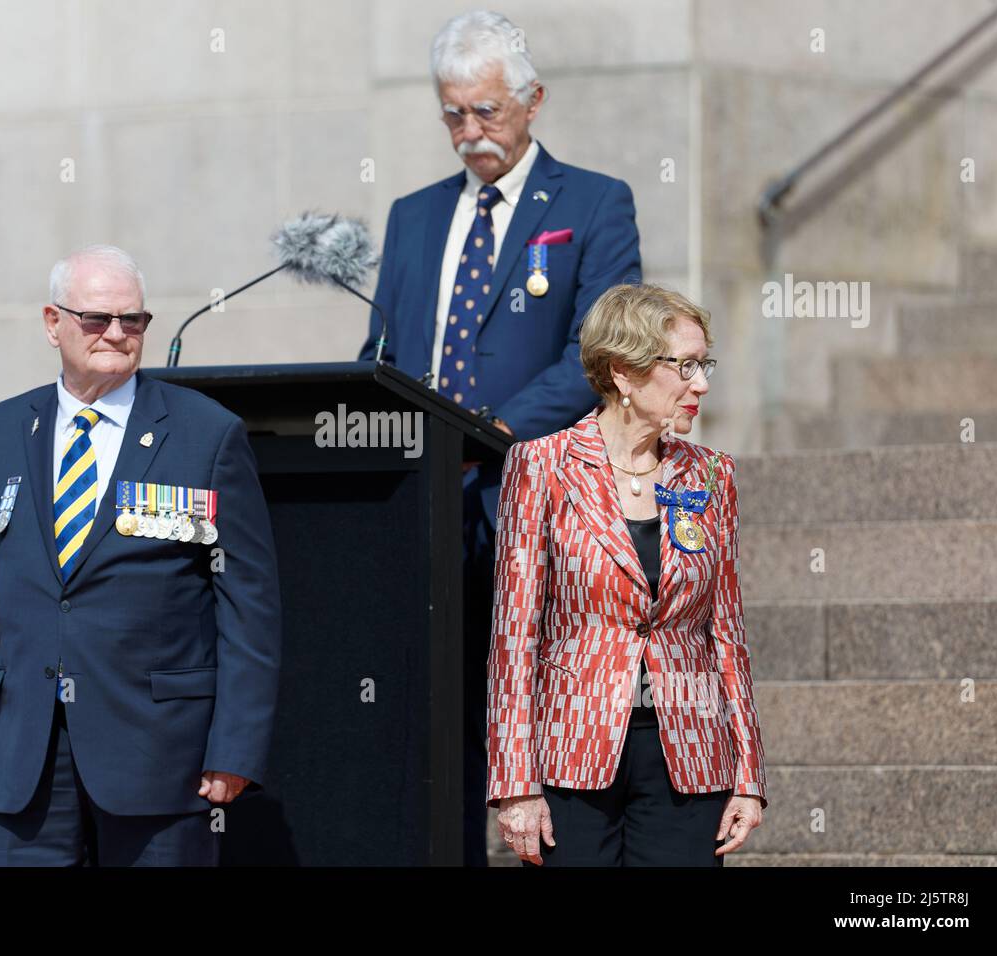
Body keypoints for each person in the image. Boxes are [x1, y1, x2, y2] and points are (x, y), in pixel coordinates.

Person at [359, 10, 641, 864]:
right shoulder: (413, 218)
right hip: (423, 508)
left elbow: (602, 349)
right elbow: (378, 355)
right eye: (453, 114)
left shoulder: (594, 202)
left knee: (536, 709)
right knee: (432, 719)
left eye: (486, 112)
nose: (469, 133)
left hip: (533, 494)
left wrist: (488, 430)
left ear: (532, 103)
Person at [0, 244, 282, 866]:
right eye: (97, 319)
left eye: (135, 320)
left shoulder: (207, 434)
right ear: (54, 323)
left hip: (160, 759)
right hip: (24, 759)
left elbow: (249, 607)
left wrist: (235, 748)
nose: (117, 334)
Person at [487, 283, 768, 866]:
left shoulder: (711, 473)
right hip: (572, 754)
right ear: (623, 372)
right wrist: (515, 783)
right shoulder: (542, 465)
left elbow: (728, 631)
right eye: (685, 366)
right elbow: (515, 636)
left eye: (704, 364)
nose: (702, 384)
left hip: (689, 753)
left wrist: (748, 773)